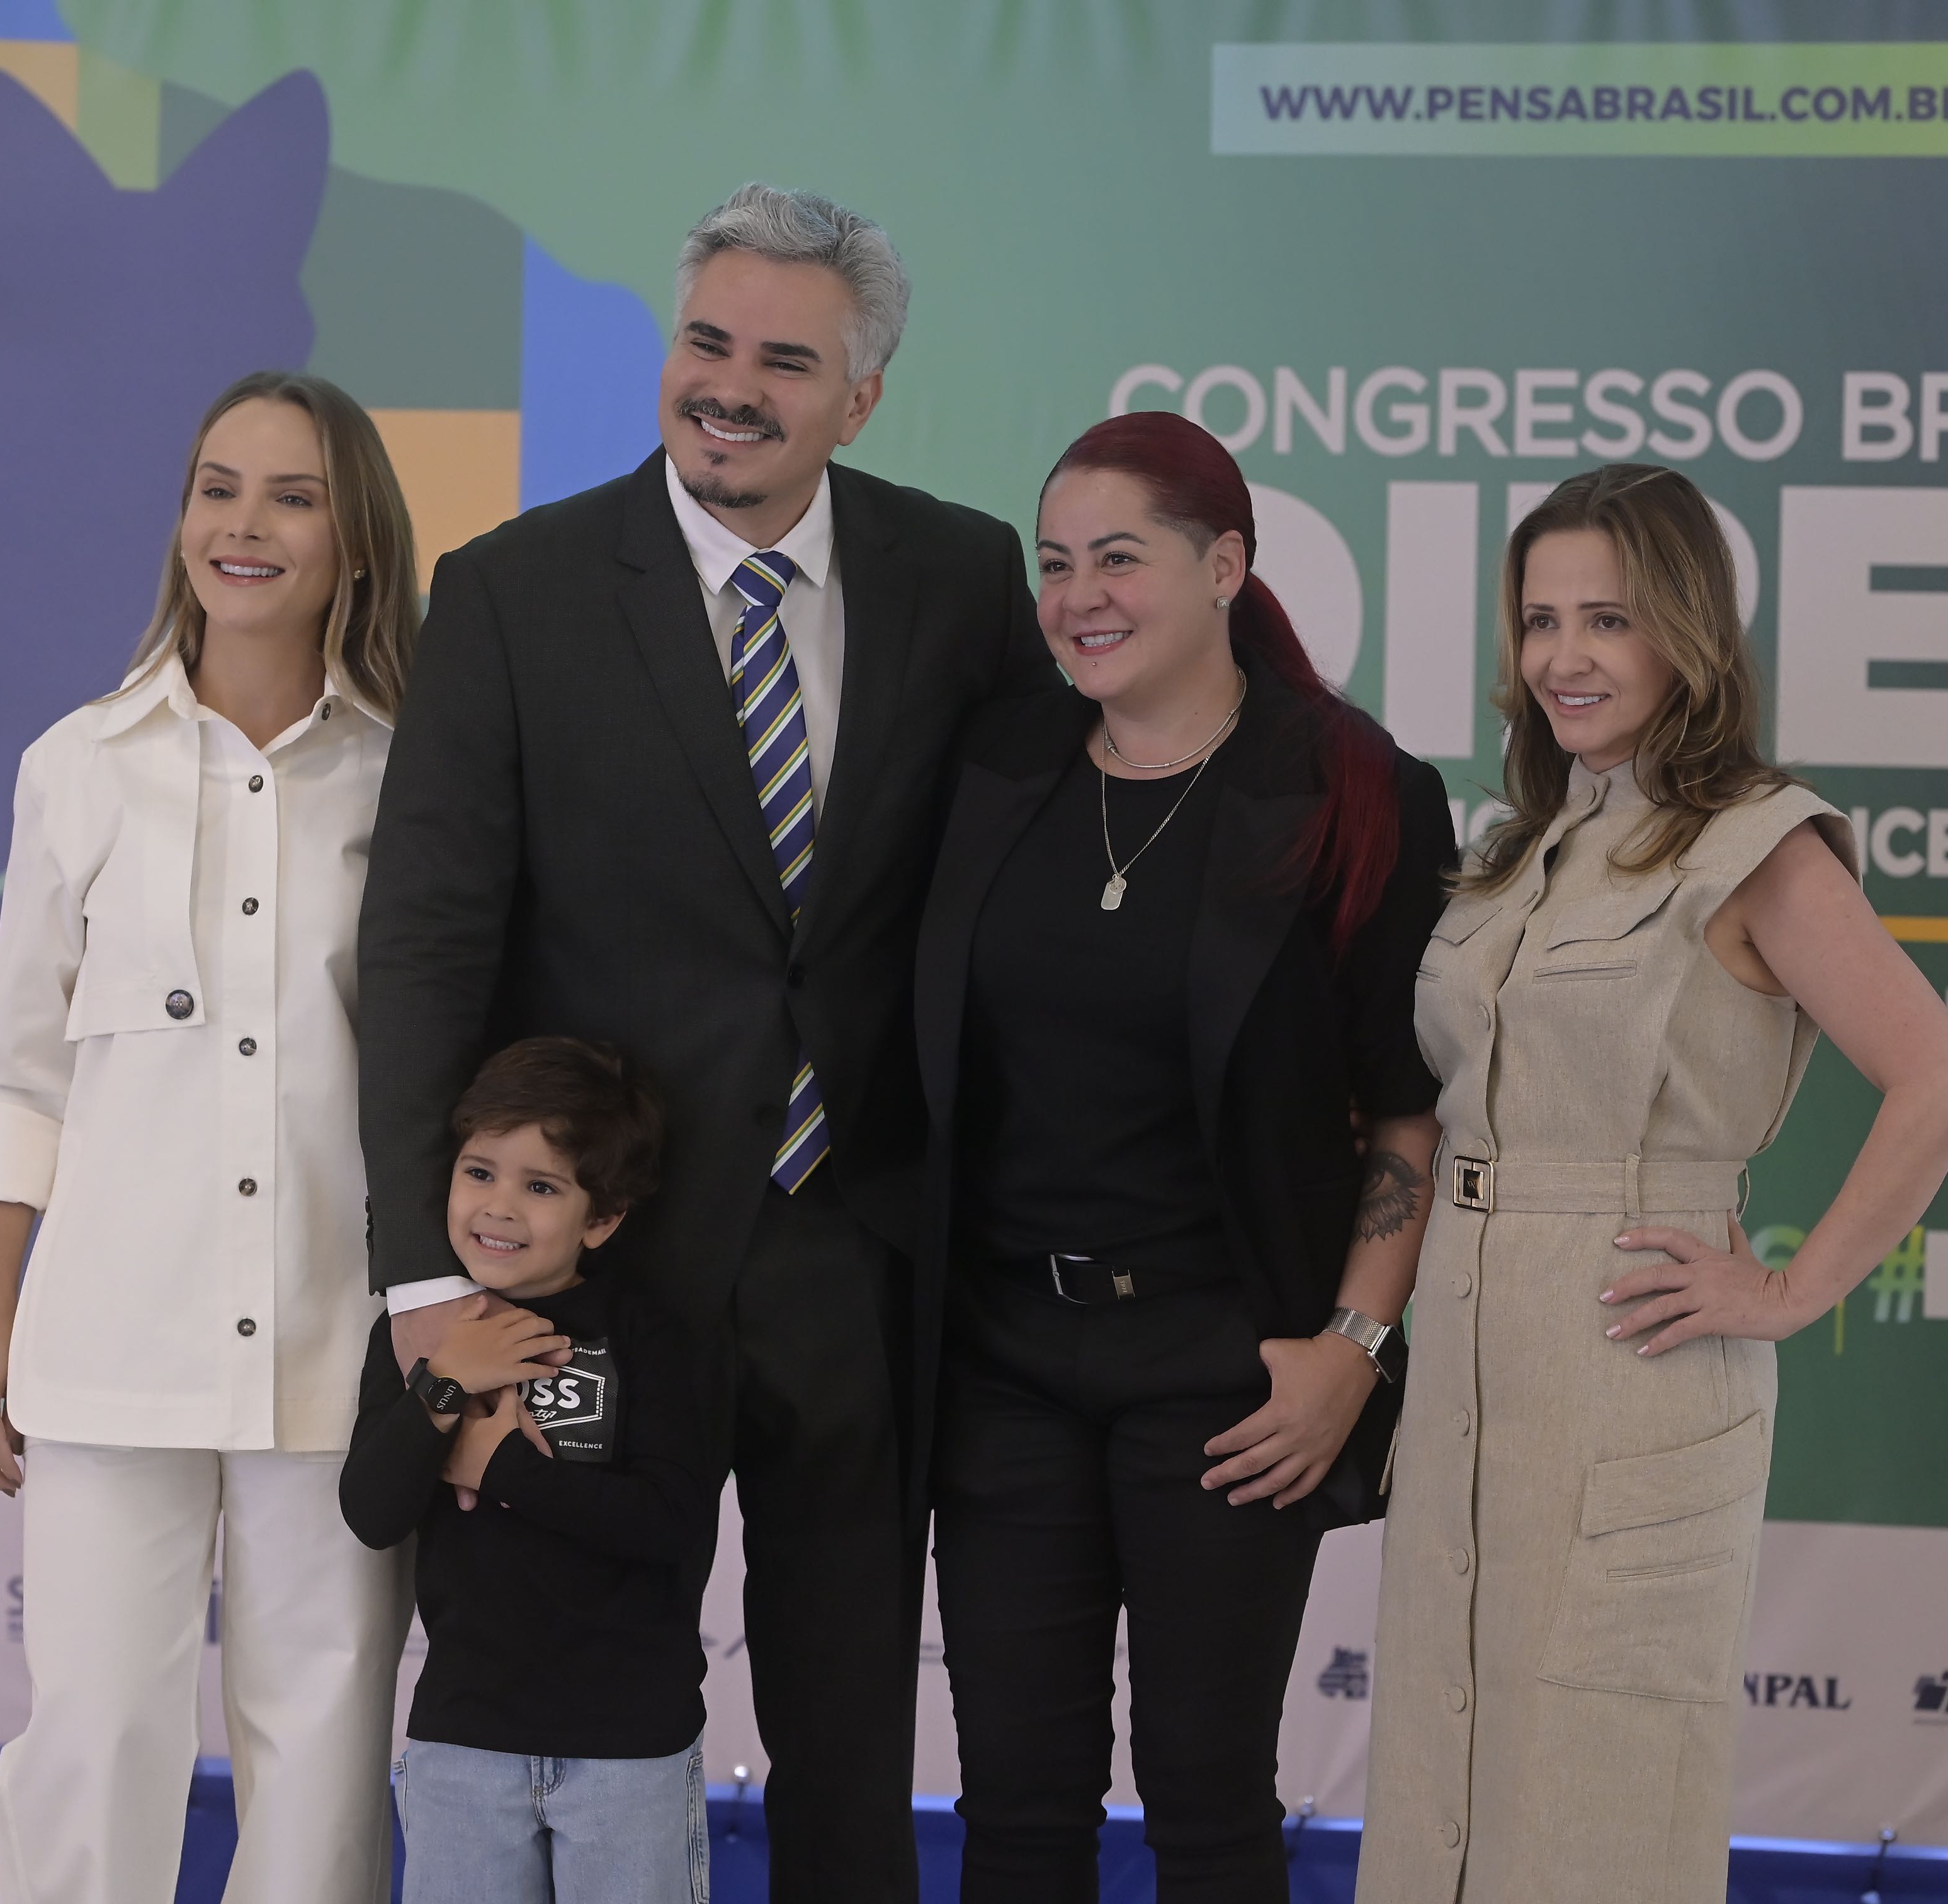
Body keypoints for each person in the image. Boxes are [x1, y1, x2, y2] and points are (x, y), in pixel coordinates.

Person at [357, 183, 1050, 1899]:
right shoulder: (511, 593)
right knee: (573, 1728)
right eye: (707, 342)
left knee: (848, 1742)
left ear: (860, 398)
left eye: (785, 362)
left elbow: (1016, 900)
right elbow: (427, 947)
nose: (731, 388)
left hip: (849, 1254)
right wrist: (424, 1280)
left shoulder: (962, 578)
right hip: (596, 1274)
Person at [1357, 464, 1948, 1903]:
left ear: (1686, 634)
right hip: (1464, 1373)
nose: (1562, 659)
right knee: (1440, 1782)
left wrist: (1786, 1289)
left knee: (1592, 1807)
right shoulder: (1521, 846)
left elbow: (1939, 1080)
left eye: (1607, 620)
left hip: (1626, 1369)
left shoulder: (1756, 842)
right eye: (1539, 621)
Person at [910, 410, 1456, 1903]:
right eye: (1054, 564)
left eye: (1117, 559)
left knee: (1207, 1800)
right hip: (1003, 1362)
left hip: (1226, 1371)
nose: (1076, 597)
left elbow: (1405, 1109)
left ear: (1222, 567)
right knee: (1014, 1802)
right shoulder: (992, 766)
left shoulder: (1351, 787)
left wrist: (1349, 1347)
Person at [0, 370, 422, 1904]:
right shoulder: (77, 765)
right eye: (218, 488)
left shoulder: (419, 776)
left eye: (292, 496)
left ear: (356, 539)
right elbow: (18, 1074)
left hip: (337, 1348)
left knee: (325, 1762)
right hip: (106, 1348)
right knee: (90, 1743)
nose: (243, 524)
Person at [339, 1036, 713, 1904]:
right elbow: (370, 1512)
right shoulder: (419, 1338)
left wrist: (501, 1465)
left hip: (629, 1750)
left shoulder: (649, 1335)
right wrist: (444, 1383)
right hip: (463, 1743)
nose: (498, 1206)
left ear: (602, 1218)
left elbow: (671, 1522)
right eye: (479, 1172)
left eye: (541, 1187)